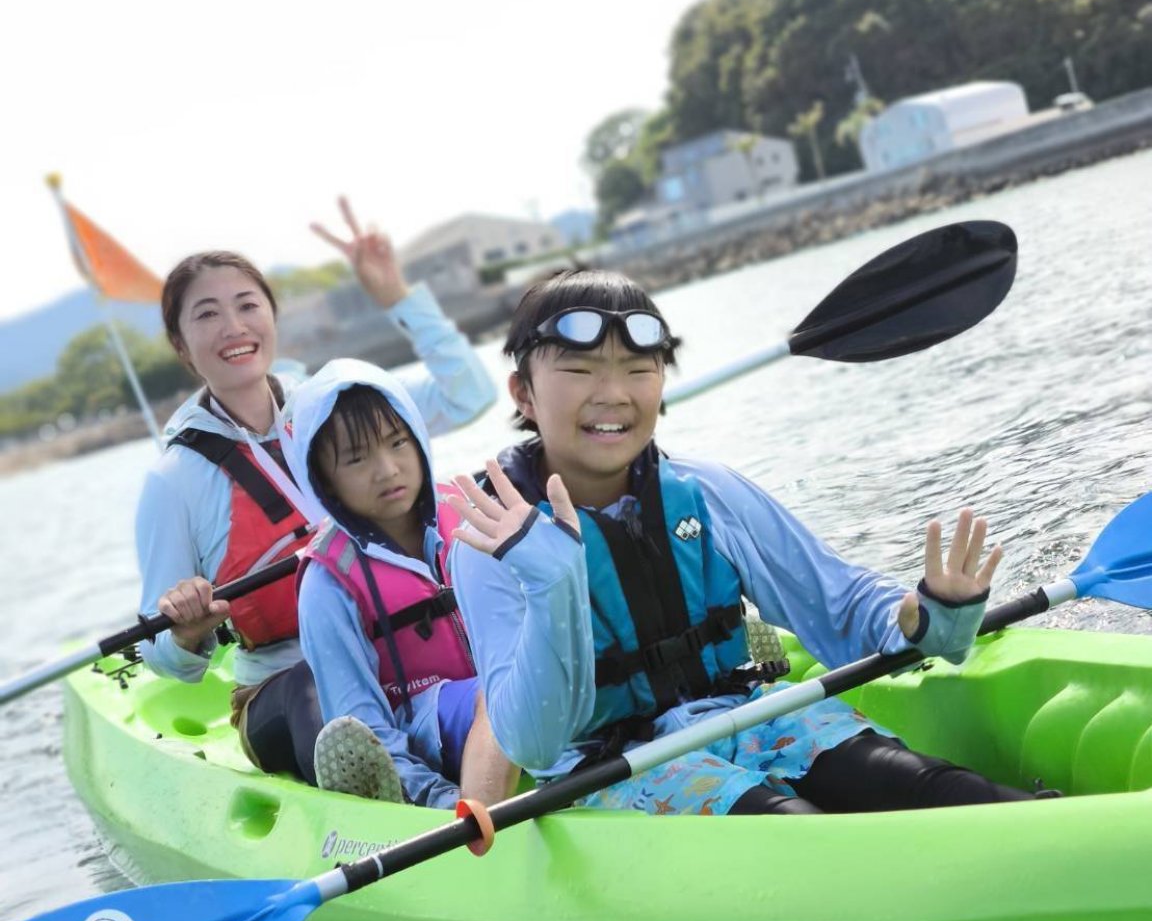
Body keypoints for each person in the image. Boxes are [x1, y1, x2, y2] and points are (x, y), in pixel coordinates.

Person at [445, 268, 1041, 816]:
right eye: (580, 371)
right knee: (800, 833)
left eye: (637, 368)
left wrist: (930, 618)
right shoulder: (490, 539)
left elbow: (841, 604)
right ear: (523, 392)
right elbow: (533, 738)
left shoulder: (706, 491)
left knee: (931, 788)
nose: (613, 394)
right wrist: (554, 585)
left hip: (745, 715)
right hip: (607, 768)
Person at [135, 199, 496, 790]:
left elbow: (468, 394)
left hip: (402, 658)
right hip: (284, 686)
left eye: (248, 306)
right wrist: (186, 631)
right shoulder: (172, 481)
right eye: (207, 315)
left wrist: (398, 295)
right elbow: (160, 655)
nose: (234, 328)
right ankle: (385, 808)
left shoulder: (336, 408)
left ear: (272, 317)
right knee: (315, 692)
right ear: (180, 344)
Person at [283, 359, 529, 808]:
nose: (387, 470)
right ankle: (475, 823)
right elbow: (362, 724)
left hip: (519, 699)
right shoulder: (326, 583)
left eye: (398, 443)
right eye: (356, 459)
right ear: (323, 480)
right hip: (428, 727)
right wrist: (433, 797)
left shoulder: (472, 514)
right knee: (498, 694)